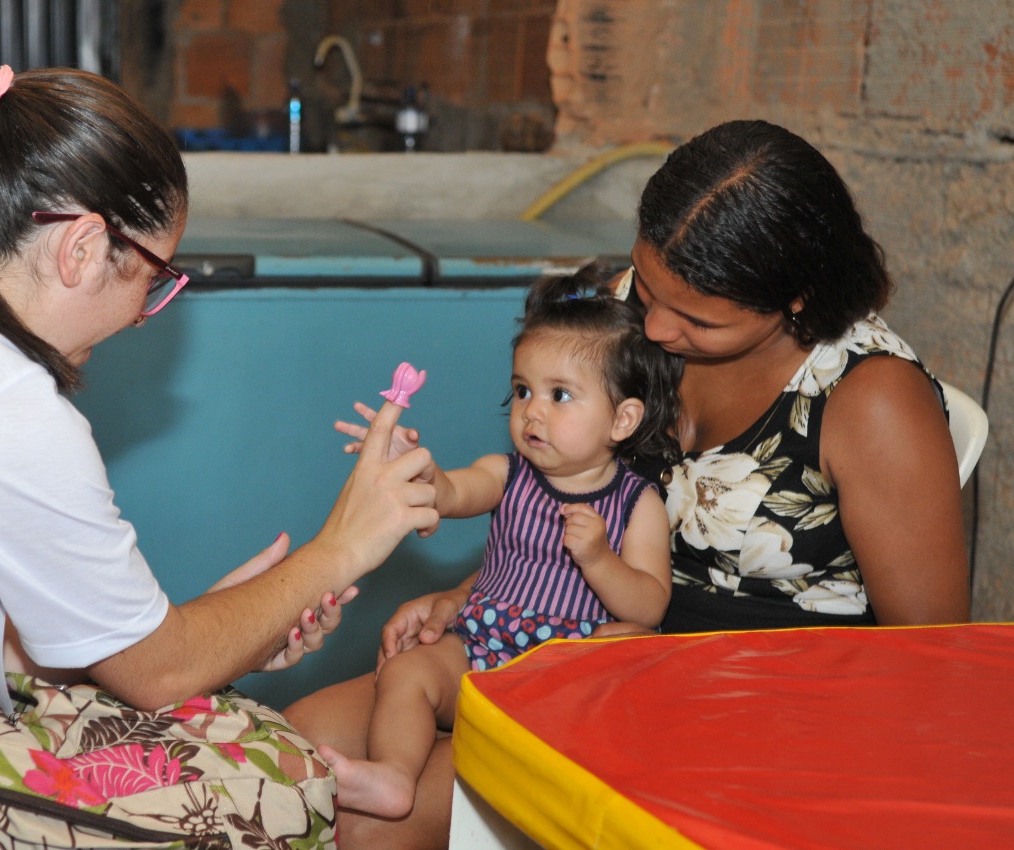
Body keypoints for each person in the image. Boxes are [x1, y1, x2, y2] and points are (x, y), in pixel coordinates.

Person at [0, 40, 438, 850]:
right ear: (80, 249)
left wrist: (224, 624)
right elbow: (158, 672)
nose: (147, 314)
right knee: (257, 805)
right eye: (154, 278)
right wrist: (341, 548)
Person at [283, 119, 971, 849]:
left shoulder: (870, 402)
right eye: (648, 287)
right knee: (302, 745)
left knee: (367, 816)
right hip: (569, 644)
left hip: (739, 712)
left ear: (795, 298)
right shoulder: (629, 319)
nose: (657, 327)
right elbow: (566, 493)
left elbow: (932, 661)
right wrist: (471, 596)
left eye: (696, 317)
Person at [316, 268, 683, 819]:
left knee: (630, 639)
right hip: (483, 644)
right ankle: (394, 776)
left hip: (566, 668)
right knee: (407, 671)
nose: (532, 410)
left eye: (560, 395)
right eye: (522, 390)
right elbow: (453, 490)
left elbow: (651, 605)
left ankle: (557, 748)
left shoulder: (637, 504)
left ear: (623, 419)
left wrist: (600, 560)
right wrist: (413, 467)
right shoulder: (506, 473)